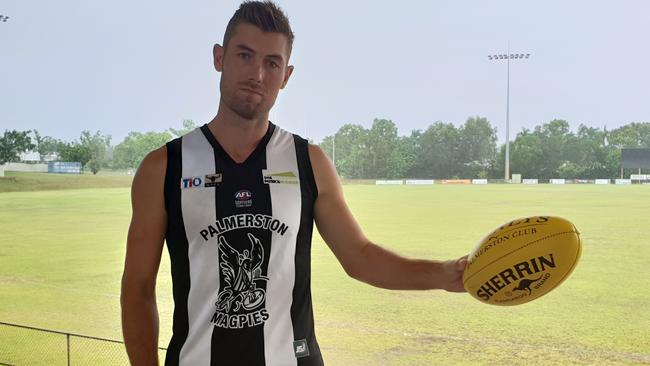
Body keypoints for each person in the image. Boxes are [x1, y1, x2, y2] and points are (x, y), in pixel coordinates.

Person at [120, 1, 468, 365]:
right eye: (244, 55)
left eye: (272, 63)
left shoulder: (309, 162)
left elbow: (360, 258)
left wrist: (443, 274)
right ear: (219, 57)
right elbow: (137, 288)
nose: (257, 73)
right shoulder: (164, 167)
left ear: (286, 75)